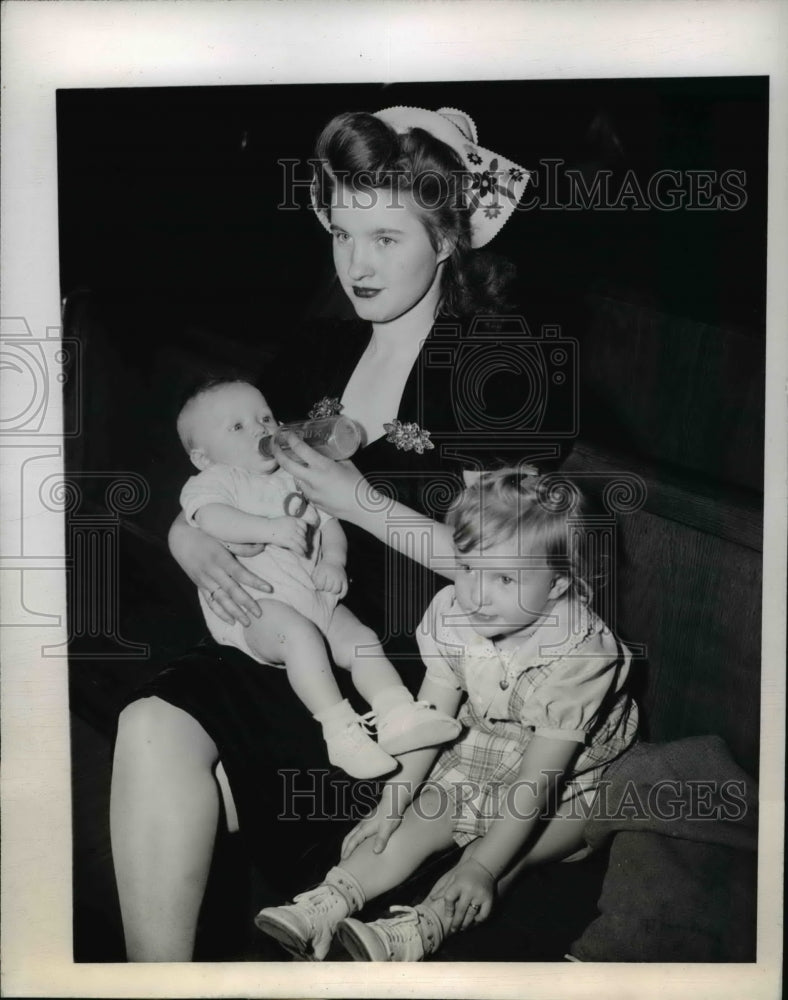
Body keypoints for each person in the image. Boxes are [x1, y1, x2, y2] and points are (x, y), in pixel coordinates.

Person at [110, 105, 546, 962]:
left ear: (449, 236)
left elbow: (504, 568)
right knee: (149, 723)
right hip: (291, 623)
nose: (356, 263)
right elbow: (224, 472)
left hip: (418, 664)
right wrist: (186, 541)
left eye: (386, 237)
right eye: (343, 232)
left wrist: (357, 499)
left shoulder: (499, 362)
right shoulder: (317, 349)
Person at [254, 469, 639, 961]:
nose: (476, 594)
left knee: (502, 853)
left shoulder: (581, 654)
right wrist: (394, 800)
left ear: (560, 584)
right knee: (419, 815)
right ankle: (330, 900)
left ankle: (417, 930)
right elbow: (433, 714)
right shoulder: (456, 614)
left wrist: (482, 867)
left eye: (504, 578)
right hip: (489, 737)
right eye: (468, 568)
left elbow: (537, 781)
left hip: (574, 773)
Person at [176, 376, 460, 778]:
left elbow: (330, 524)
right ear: (204, 458)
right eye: (237, 427)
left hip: (314, 596)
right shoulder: (213, 482)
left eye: (266, 417)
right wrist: (271, 529)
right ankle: (341, 732)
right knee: (301, 638)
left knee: (361, 640)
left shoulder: (294, 475)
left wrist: (333, 561)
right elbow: (211, 518)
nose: (261, 429)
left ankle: (397, 712)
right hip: (257, 608)